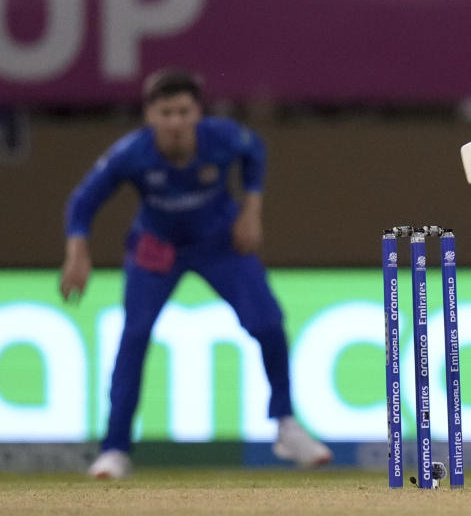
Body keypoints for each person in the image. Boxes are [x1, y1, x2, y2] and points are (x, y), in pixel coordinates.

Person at [59, 68, 333, 479]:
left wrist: (252, 209)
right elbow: (83, 202)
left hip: (219, 242)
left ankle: (286, 426)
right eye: (165, 112)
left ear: (197, 113)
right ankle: (115, 449)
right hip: (157, 250)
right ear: (149, 115)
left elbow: (254, 151)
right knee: (133, 338)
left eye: (183, 112)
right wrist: (77, 250)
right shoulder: (130, 154)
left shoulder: (223, 138)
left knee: (268, 323)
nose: (174, 123)